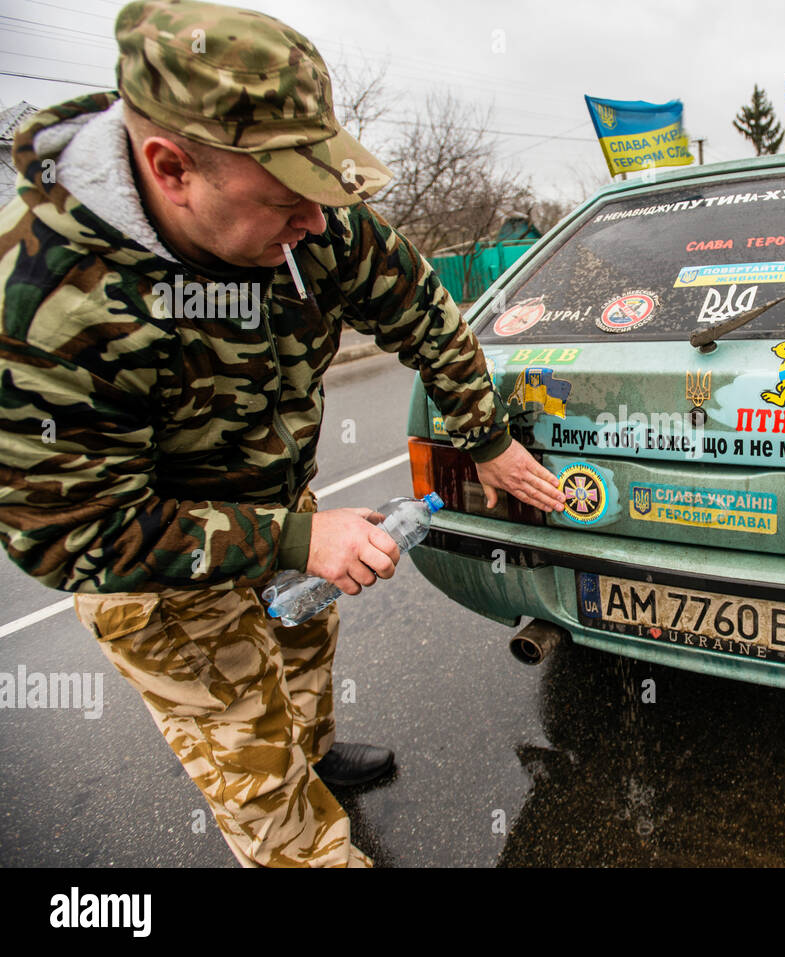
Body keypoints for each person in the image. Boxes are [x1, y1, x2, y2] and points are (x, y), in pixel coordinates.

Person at [0, 0, 565, 867]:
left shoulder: (312, 217)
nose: (315, 223)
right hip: (155, 571)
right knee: (262, 784)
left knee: (304, 637)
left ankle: (310, 751)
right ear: (170, 167)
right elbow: (71, 532)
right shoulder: (42, 298)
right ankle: (292, 801)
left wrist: (485, 439)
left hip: (276, 499)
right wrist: (301, 536)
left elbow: (420, 308)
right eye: (286, 201)